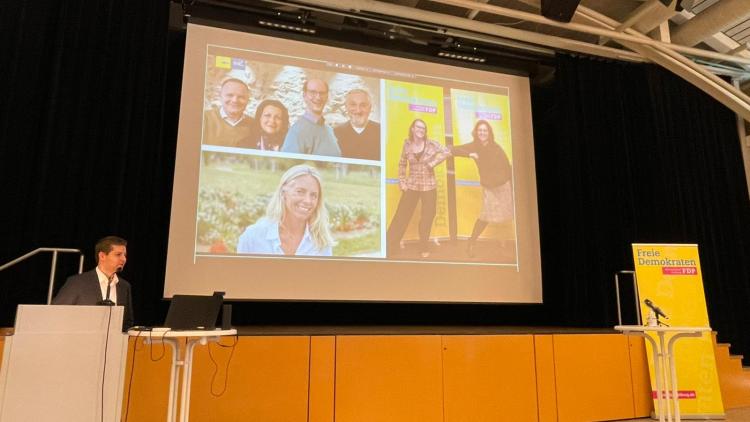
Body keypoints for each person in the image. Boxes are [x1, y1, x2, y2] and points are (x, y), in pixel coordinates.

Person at [237, 164, 334, 256]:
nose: (307, 201)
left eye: (313, 195)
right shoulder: (253, 236)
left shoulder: (322, 242)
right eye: (300, 192)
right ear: (283, 193)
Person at [386, 119, 449, 258]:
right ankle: (390, 245)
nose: (421, 130)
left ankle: (423, 246)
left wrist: (433, 163)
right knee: (401, 216)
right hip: (412, 185)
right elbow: (402, 164)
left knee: (427, 217)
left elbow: (446, 152)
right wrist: (402, 182)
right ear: (413, 129)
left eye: (423, 128)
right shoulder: (407, 144)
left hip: (429, 186)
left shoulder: (431, 143)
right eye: (418, 127)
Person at [450, 120, 513, 257]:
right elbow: (453, 150)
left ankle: (503, 242)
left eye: (485, 130)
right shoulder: (474, 146)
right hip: (489, 188)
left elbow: (508, 168)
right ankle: (471, 242)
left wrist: (510, 186)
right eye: (480, 130)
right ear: (476, 133)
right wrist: (469, 154)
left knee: (506, 214)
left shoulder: (497, 148)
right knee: (485, 216)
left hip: (503, 187)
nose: (482, 133)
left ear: (489, 133)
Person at [52, 236, 134, 330]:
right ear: (102, 256)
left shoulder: (124, 286)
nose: (123, 259)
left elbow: (127, 322)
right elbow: (56, 313)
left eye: (125, 255)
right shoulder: (77, 282)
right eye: (118, 254)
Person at [281, 79, 341, 157]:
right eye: (313, 92)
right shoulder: (296, 132)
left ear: (327, 97)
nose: (318, 97)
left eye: (322, 93)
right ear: (304, 96)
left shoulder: (329, 130)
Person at [202, 78, 254, 147]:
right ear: (220, 96)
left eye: (241, 97)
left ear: (248, 100)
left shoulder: (254, 124)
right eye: (230, 95)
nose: (235, 100)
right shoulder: (204, 118)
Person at [334, 89, 381, 160]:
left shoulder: (381, 131)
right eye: (353, 105)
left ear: (370, 107)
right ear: (346, 107)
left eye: (363, 105)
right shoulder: (335, 133)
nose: (358, 110)